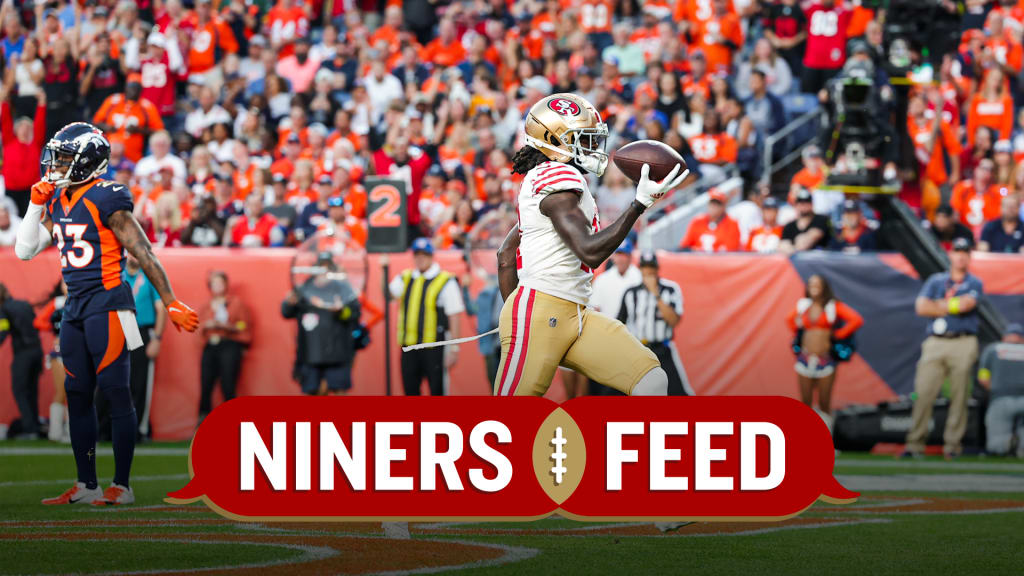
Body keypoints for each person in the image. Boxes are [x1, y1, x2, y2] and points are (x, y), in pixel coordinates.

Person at [15, 122, 199, 506]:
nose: (57, 165)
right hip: (77, 307)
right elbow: (25, 251)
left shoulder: (107, 195)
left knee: (116, 393)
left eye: (65, 159)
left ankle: (122, 485)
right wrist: (34, 204)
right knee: (77, 393)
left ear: (87, 161)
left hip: (111, 302)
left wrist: (171, 300)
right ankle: (87, 485)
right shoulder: (58, 201)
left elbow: (144, 250)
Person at [494, 93, 685, 398]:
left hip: (575, 313)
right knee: (507, 422)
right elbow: (590, 251)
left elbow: (505, 257)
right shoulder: (558, 179)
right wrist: (638, 204)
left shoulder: (543, 182)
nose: (593, 147)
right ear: (553, 141)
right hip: (542, 309)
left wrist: (512, 316)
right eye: (583, 138)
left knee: (651, 380)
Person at [903, 238, 984, 459]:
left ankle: (953, 446)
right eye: (957, 251)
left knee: (959, 396)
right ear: (950, 254)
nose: (960, 256)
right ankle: (915, 444)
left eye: (965, 252)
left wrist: (937, 306)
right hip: (936, 341)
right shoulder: (936, 281)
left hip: (963, 341)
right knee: (923, 393)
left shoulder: (974, 282)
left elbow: (967, 304)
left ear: (969, 256)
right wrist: (950, 306)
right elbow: (920, 307)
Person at [96, 253, 166, 442]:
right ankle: (102, 429)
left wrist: (157, 338)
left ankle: (134, 431)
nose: (134, 256)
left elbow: (161, 309)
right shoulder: (116, 274)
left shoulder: (150, 275)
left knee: (137, 382)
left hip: (139, 329)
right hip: (118, 327)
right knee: (108, 379)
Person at [389, 238, 464, 396]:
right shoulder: (406, 277)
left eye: (424, 254)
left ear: (431, 256)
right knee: (410, 390)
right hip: (409, 345)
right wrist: (383, 266)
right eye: (417, 254)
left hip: (434, 346)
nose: (420, 258)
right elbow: (388, 293)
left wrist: (454, 348)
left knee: (437, 390)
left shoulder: (445, 280)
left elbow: (454, 315)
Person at [787, 274, 863, 421]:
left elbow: (856, 319)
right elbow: (789, 320)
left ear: (824, 287)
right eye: (811, 284)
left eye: (817, 284)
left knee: (824, 402)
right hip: (805, 358)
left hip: (825, 359)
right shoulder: (804, 306)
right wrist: (799, 331)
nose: (814, 287)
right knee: (805, 403)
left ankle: (826, 436)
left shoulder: (833, 306)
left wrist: (839, 334)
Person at [285, 253, 362, 396]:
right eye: (321, 267)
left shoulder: (343, 288)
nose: (324, 271)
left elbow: (355, 313)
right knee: (312, 391)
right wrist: (289, 303)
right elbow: (286, 312)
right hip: (310, 353)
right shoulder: (305, 289)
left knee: (338, 391)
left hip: (337, 353)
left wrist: (341, 311)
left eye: (327, 267)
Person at [618, 252, 693, 396]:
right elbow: (620, 323)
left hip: (662, 350)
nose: (648, 271)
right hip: (639, 351)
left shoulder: (670, 289)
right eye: (645, 267)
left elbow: (674, 320)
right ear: (640, 269)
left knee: (678, 393)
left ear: (657, 269)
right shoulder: (630, 293)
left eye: (651, 267)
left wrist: (655, 294)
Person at [198, 271, 251, 421]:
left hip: (229, 345)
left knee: (228, 383)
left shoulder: (235, 303)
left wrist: (227, 326)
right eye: (214, 283)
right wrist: (207, 325)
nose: (217, 286)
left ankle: (232, 422)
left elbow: (243, 325)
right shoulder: (207, 306)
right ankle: (202, 422)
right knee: (206, 384)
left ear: (226, 285)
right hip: (210, 346)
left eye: (220, 283)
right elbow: (198, 328)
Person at [0, 283, 44, 438]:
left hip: (22, 354)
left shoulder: (4, 309)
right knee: (32, 390)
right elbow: (36, 324)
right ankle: (35, 426)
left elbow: (3, 331)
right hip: (37, 350)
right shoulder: (24, 304)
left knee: (19, 390)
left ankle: (29, 428)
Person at [1, 84, 46, 216]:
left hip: (30, 190)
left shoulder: (35, 144)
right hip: (11, 189)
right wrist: (3, 101)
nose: (25, 129)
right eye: (22, 126)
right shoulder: (9, 141)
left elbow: (40, 124)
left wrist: (42, 103)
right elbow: (5, 122)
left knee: (30, 218)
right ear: (16, 129)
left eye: (28, 126)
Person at [980, 323, 1024, 457]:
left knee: (997, 445)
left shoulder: (992, 349)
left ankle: (1005, 446)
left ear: (1005, 337)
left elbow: (983, 378)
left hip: (1000, 399)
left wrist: (994, 391)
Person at [780, 188, 832, 253]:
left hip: (819, 261)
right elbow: (783, 245)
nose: (803, 205)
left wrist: (793, 250)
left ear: (812, 204)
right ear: (796, 205)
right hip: (795, 261)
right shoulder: (789, 226)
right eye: (800, 202)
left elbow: (810, 238)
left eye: (807, 202)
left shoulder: (821, 219)